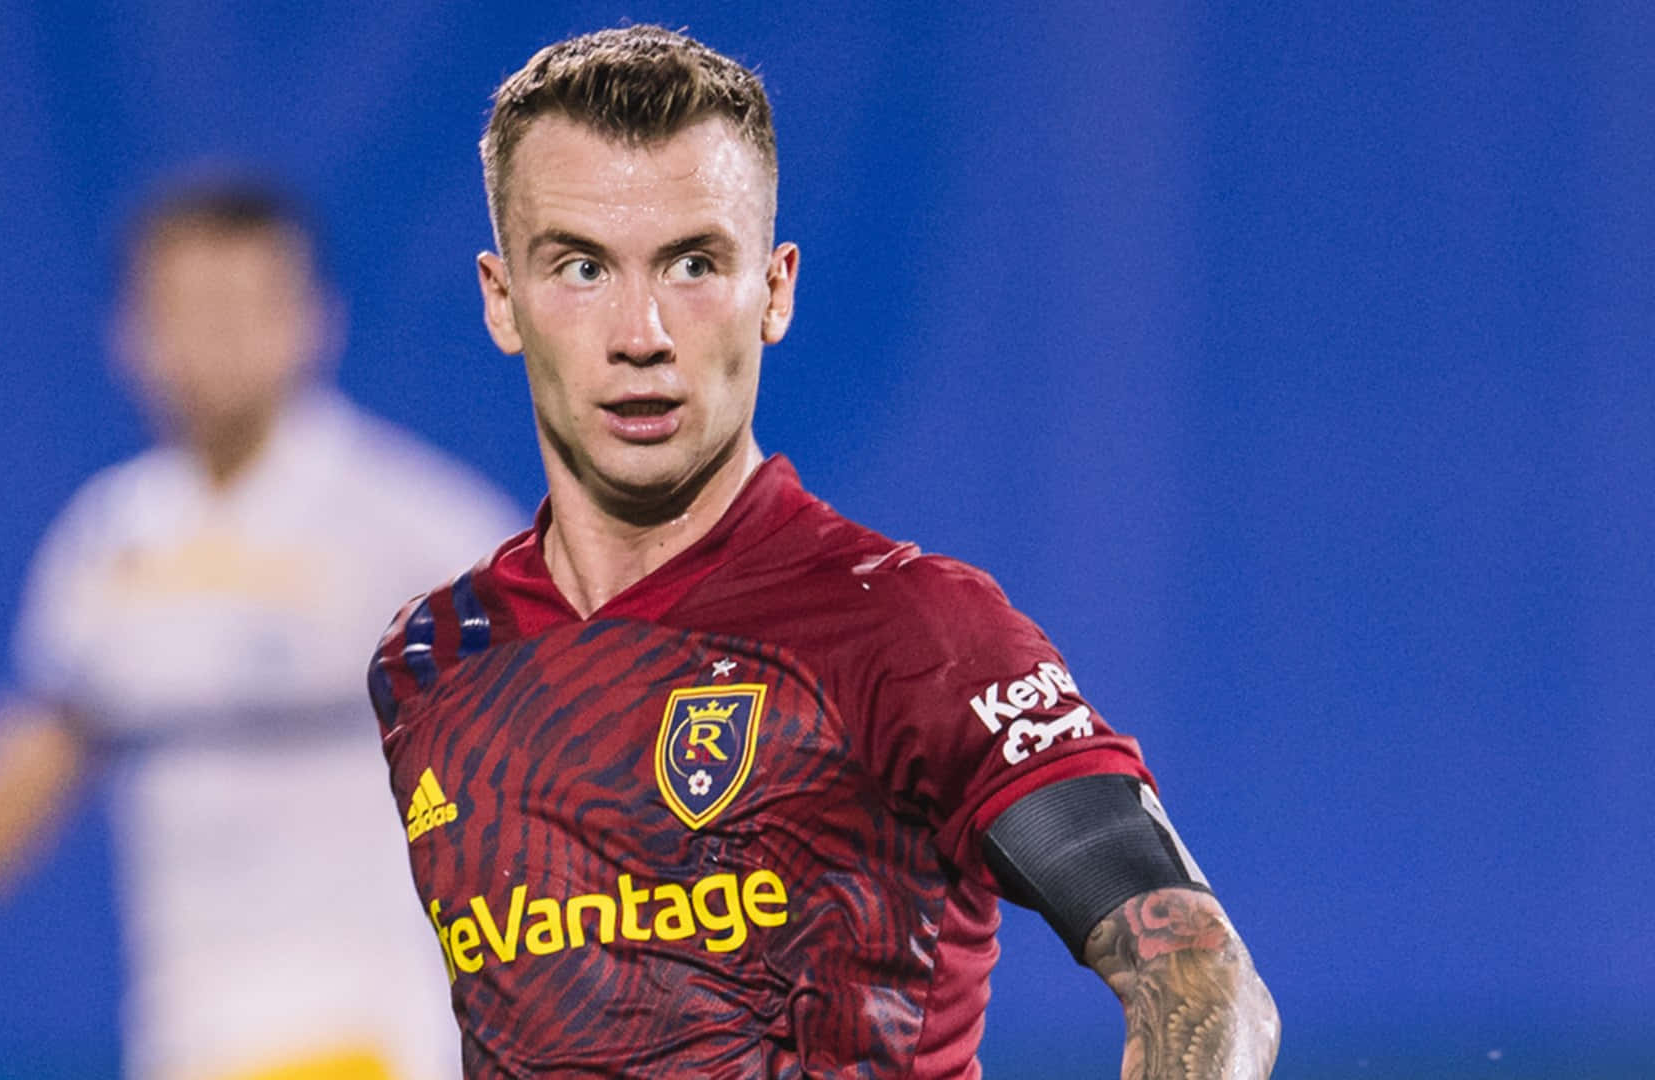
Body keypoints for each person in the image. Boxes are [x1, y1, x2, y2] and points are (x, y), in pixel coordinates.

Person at [366, 26, 1279, 1078]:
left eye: (694, 264)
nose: (641, 333)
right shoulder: (431, 662)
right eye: (581, 267)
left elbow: (1199, 977)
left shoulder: (916, 632)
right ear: (501, 298)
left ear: (776, 289)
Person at [0, 176, 520, 1080]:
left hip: (378, 1035)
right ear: (131, 335)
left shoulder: (422, 532)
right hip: (187, 1039)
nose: (219, 339)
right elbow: (23, 771)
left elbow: (575, 736)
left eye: (248, 306)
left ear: (316, 320)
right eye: (187, 309)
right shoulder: (110, 539)